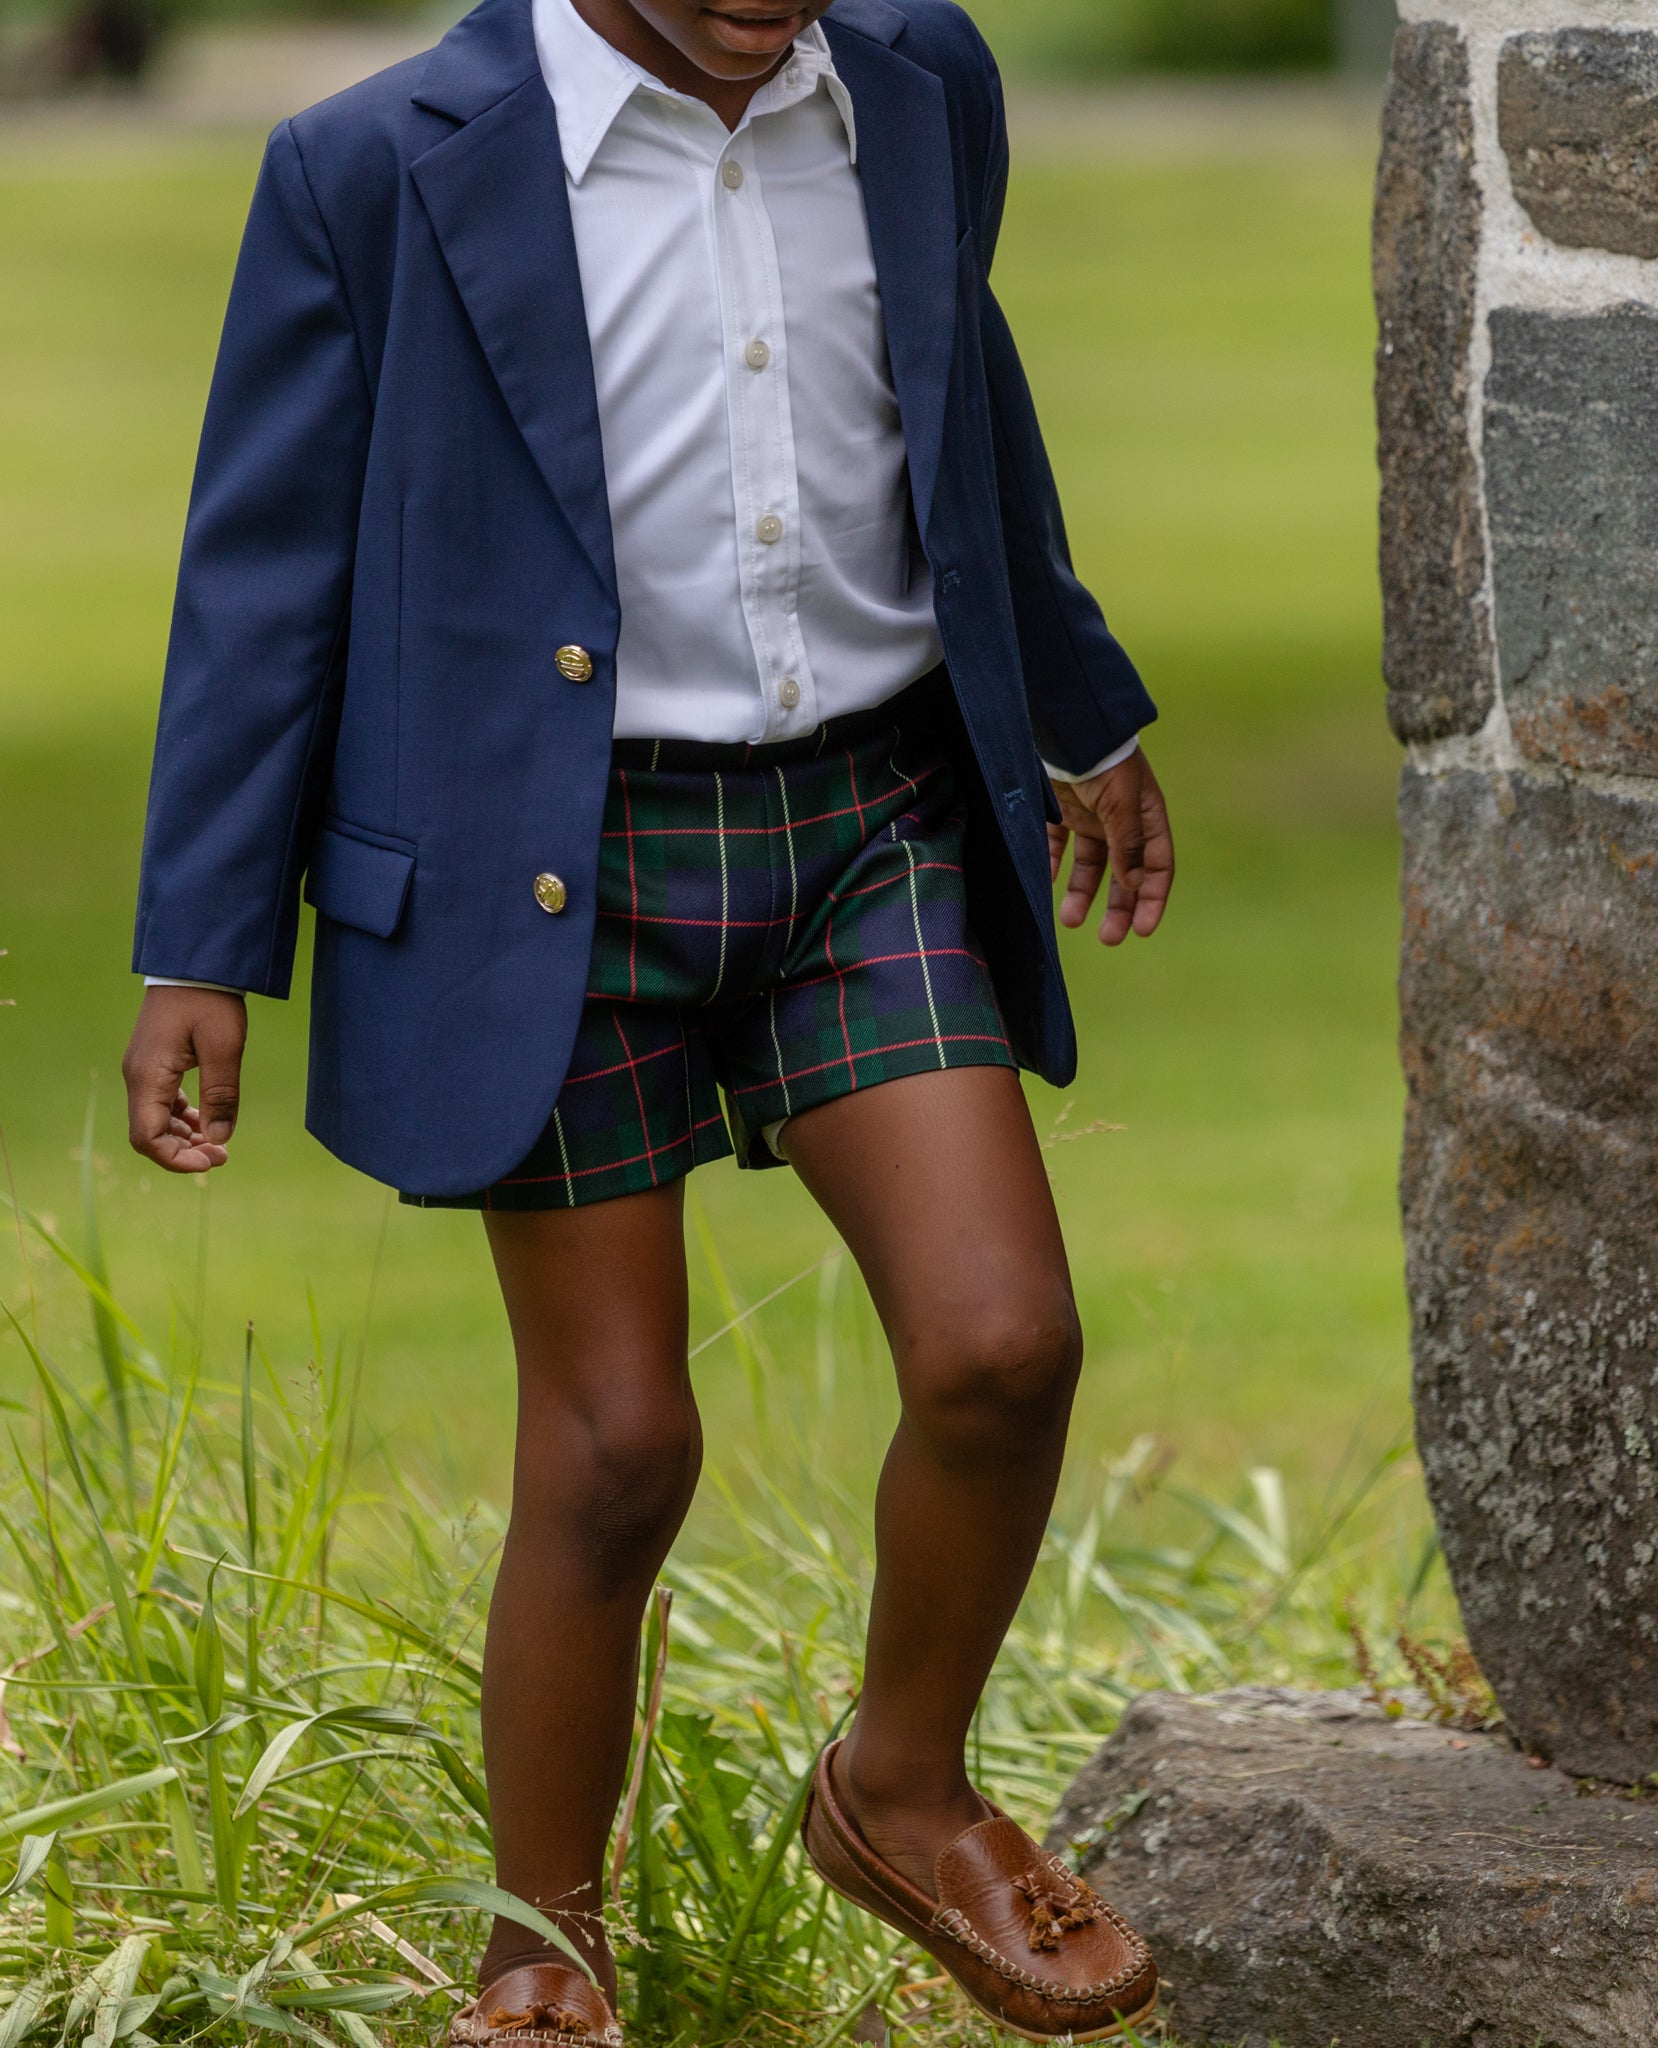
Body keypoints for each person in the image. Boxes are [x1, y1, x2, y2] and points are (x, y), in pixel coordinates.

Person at [122, 0, 1173, 2040]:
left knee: (1001, 1342)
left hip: (866, 824)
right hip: (555, 869)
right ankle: (546, 1944)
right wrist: (204, 940)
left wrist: (1073, 701)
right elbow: (265, 577)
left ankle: (898, 1784)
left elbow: (961, 404)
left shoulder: (918, 83)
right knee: (612, 1445)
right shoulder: (377, 167)